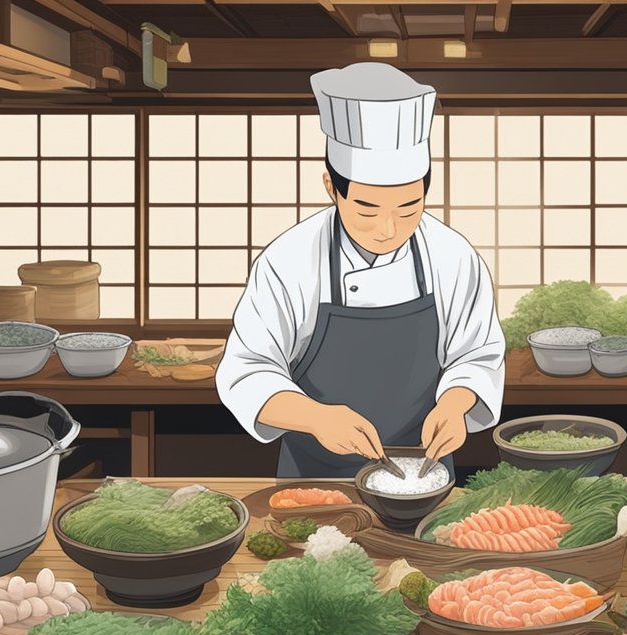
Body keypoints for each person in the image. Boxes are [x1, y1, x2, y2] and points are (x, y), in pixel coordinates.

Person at [216, 62, 506, 478]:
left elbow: (476, 353)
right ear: (331, 188)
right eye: (367, 210)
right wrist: (317, 418)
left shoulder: (452, 255)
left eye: (409, 208)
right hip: (314, 474)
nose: (388, 230)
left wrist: (455, 404)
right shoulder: (290, 260)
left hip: (424, 471)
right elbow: (248, 369)